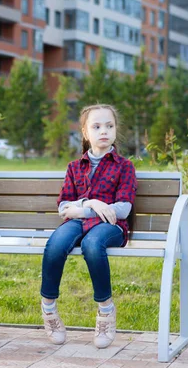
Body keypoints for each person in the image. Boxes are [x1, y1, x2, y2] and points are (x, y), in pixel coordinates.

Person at [40, 104, 137, 348]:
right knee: (56, 244)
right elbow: (63, 207)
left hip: (110, 226)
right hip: (78, 223)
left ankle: (106, 310)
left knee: (93, 245)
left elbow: (123, 208)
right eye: (96, 126)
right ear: (85, 132)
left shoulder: (124, 166)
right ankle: (49, 308)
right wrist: (93, 203)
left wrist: (82, 209)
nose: (103, 131)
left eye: (109, 126)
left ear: (115, 130)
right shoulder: (75, 167)